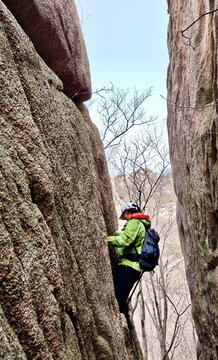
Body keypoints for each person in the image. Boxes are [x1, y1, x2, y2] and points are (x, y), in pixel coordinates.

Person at [107, 202, 151, 329]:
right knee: (119, 295)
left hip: (129, 267)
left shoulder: (134, 222)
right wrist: (117, 234)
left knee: (119, 296)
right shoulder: (141, 224)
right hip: (131, 267)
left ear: (127, 212)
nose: (125, 218)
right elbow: (129, 238)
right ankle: (126, 324)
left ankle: (126, 326)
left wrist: (104, 240)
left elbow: (126, 241)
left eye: (124, 216)